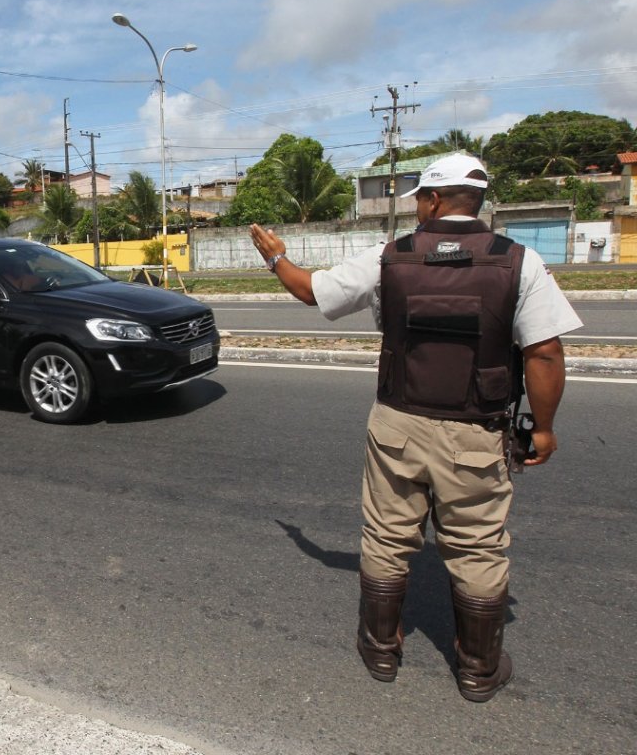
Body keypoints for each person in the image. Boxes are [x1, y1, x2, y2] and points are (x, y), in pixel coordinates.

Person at [249, 153, 582, 702]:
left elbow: (311, 290)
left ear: (431, 200)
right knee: (477, 547)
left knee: (386, 536)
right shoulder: (520, 262)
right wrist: (542, 429)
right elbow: (545, 353)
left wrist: (276, 256)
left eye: (418, 200)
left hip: (398, 424)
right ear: (476, 202)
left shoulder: (389, 257)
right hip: (476, 431)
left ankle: (380, 651)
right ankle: (478, 669)